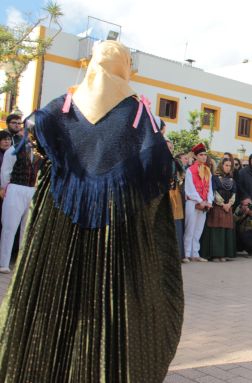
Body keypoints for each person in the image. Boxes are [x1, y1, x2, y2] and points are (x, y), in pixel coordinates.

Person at [0, 41, 183, 381]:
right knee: (109, 302)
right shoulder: (139, 114)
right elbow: (161, 166)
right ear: (124, 68)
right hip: (116, 227)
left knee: (53, 297)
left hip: (59, 223)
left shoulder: (60, 107)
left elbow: (34, 128)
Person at [0, 114, 42, 274]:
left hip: (31, 190)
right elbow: (5, 171)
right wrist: (5, 187)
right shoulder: (14, 149)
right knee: (10, 227)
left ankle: (21, 262)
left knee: (27, 228)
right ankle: (3, 262)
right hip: (15, 188)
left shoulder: (40, 152)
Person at [200, 157, 236, 261]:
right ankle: (215, 254)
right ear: (222, 165)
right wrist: (222, 204)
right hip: (217, 207)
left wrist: (229, 204)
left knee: (226, 229)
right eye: (226, 165)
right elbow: (213, 192)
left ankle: (223, 254)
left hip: (228, 207)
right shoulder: (215, 178)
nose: (228, 168)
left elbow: (234, 193)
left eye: (230, 166)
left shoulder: (232, 179)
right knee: (216, 230)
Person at [183, 142, 212, 262]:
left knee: (199, 229)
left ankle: (195, 253)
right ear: (196, 156)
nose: (203, 157)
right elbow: (189, 189)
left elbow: (210, 188)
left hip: (203, 203)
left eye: (205, 155)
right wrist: (200, 201)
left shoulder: (207, 170)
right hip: (193, 203)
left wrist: (209, 201)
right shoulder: (190, 170)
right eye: (201, 155)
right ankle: (186, 253)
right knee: (190, 228)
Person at [167, 139, 186, 262]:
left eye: (171, 147)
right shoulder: (158, 161)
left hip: (176, 195)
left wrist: (179, 180)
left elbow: (182, 176)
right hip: (164, 195)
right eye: (167, 147)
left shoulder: (175, 162)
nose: (169, 149)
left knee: (177, 224)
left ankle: (177, 255)